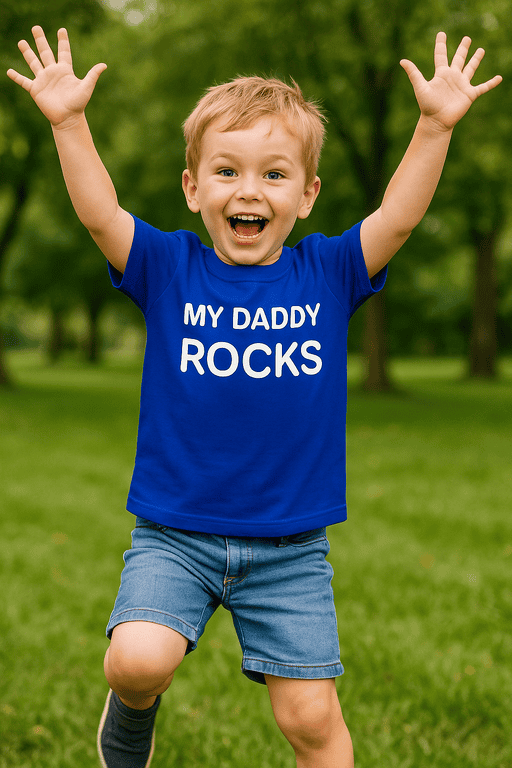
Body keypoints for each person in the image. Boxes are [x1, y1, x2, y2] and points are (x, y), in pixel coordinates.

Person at [7, 25, 501, 768]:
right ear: (192, 188)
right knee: (136, 660)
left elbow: (398, 218)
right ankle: (132, 712)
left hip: (289, 549)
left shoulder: (328, 273)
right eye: (226, 170)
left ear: (307, 195)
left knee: (311, 719)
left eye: (274, 174)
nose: (248, 190)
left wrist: (434, 127)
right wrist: (69, 122)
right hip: (175, 535)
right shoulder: (168, 268)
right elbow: (100, 214)